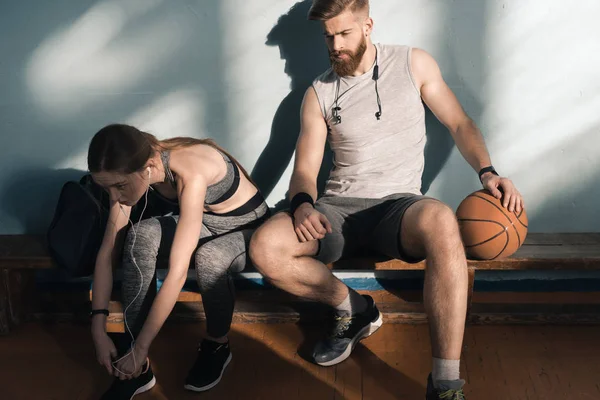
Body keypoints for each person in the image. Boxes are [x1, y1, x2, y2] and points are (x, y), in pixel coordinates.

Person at [249, 1, 524, 399]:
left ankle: (445, 383)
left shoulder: (412, 64)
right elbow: (305, 170)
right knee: (265, 246)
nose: (335, 45)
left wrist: (488, 172)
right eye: (328, 37)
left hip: (398, 207)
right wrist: (303, 203)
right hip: (337, 211)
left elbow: (459, 123)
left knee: (442, 220)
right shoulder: (319, 92)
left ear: (367, 26)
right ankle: (353, 309)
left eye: (343, 34)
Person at [88, 124, 270, 399]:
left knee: (211, 257)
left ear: (148, 166)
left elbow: (177, 273)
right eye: (107, 188)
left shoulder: (190, 172)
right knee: (139, 237)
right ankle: (138, 367)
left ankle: (217, 344)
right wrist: (98, 328)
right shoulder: (132, 172)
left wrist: (142, 348)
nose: (114, 196)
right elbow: (107, 252)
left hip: (248, 228)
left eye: (119, 186)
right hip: (206, 221)